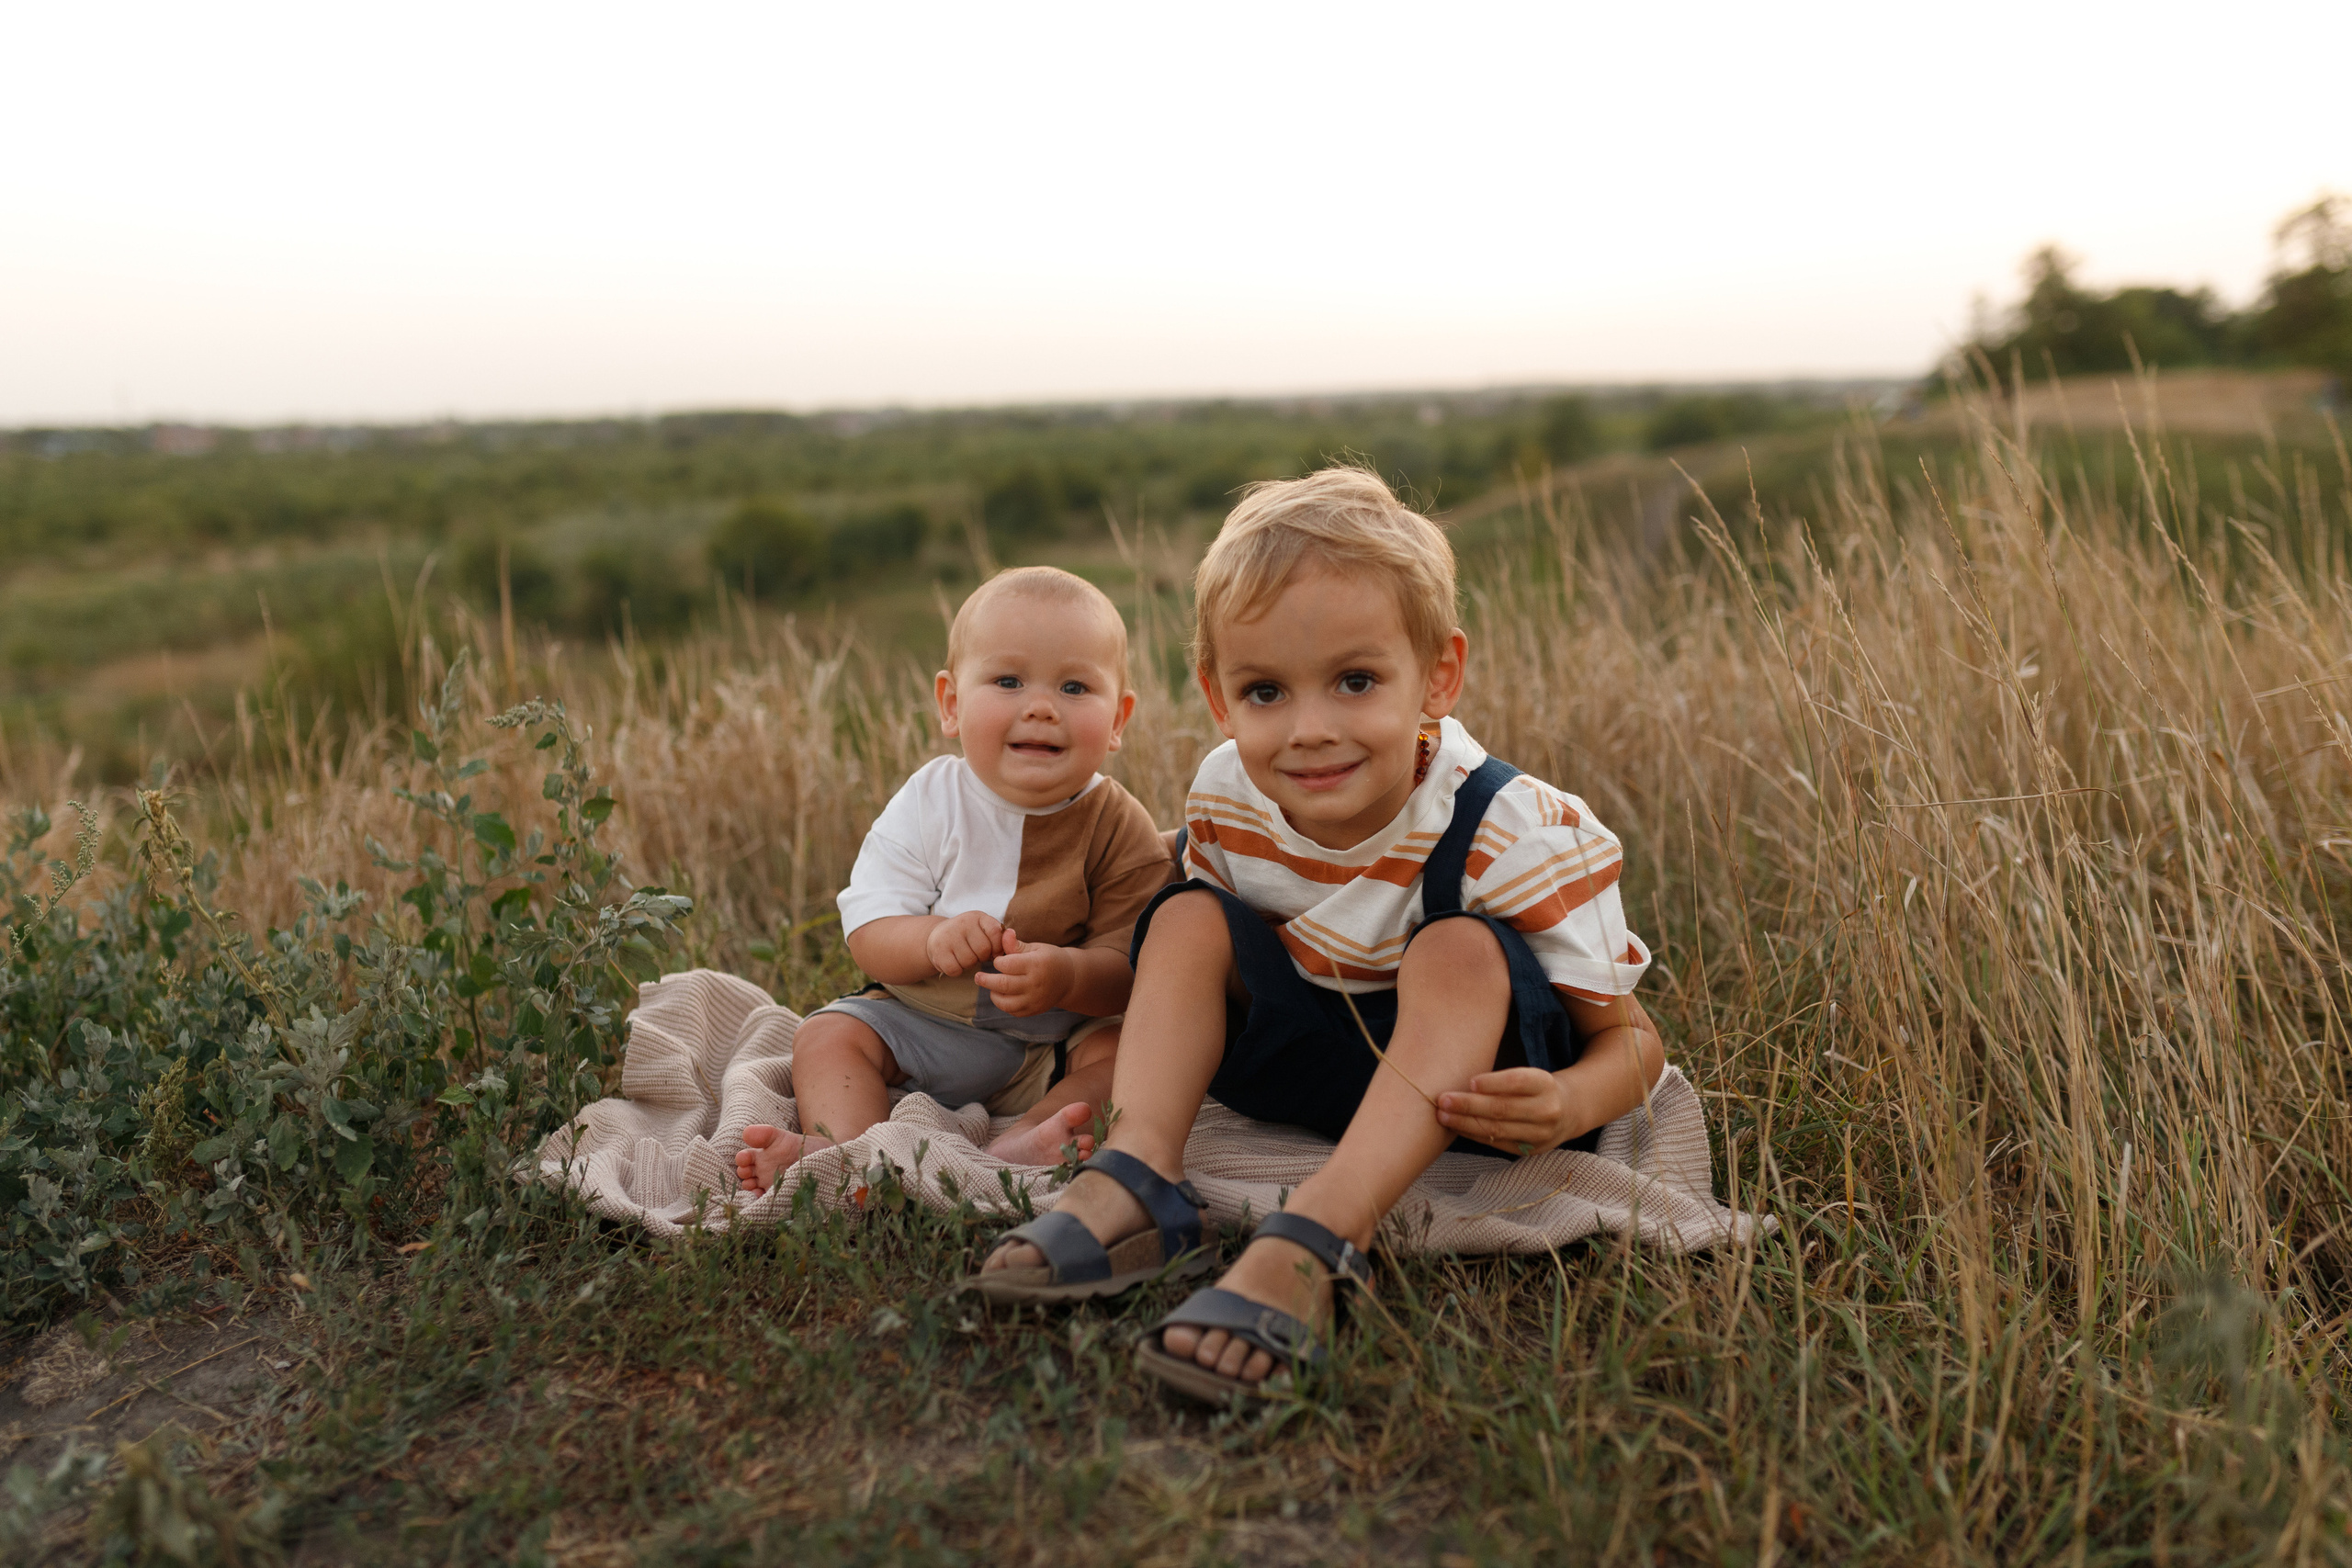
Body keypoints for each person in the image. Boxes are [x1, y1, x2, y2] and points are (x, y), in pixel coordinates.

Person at [973, 468, 1668, 1400]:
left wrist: (1574, 1102)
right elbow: (1210, 965)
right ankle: (1140, 1175)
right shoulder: (1228, 794)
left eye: (1354, 681)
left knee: (1455, 944)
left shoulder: (1515, 831)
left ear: (1438, 676)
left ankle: (1320, 1232)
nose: (1309, 730)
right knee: (1184, 910)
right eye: (1265, 692)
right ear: (1218, 698)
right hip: (1308, 1070)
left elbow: (1631, 1044)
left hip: (1469, 1092)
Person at [735, 567, 1172, 1194]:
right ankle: (845, 1148)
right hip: (926, 1028)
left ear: (1118, 719)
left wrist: (1070, 975)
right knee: (828, 1034)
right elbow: (868, 926)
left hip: (1057, 1042)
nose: (1041, 706)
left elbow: (1137, 960)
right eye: (1008, 680)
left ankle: (1030, 1138)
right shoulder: (930, 800)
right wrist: (930, 939)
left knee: (1131, 1058)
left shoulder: (1117, 823)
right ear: (951, 703)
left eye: (1075, 686)